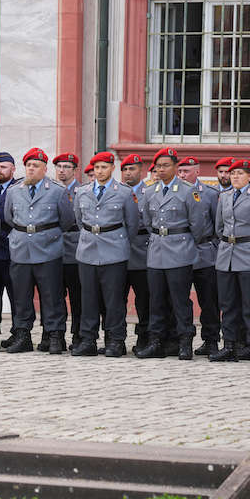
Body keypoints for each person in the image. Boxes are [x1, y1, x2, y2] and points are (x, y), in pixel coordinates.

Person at [135, 147, 209, 361]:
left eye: (165, 165)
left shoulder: (188, 191)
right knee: (156, 299)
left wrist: (183, 240)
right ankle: (156, 341)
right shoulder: (150, 192)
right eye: (158, 166)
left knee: (180, 300)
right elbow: (148, 222)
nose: (161, 170)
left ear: (176, 167)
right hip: (157, 249)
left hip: (180, 249)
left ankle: (184, 341)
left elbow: (198, 225)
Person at [3, 148, 75, 354]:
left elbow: (67, 220)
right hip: (21, 249)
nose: (31, 169)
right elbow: (9, 218)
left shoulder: (57, 191)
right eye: (28, 165)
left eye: (36, 166)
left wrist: (47, 234)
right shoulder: (14, 191)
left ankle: (54, 336)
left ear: (44, 169)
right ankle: (23, 334)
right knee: (21, 296)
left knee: (52, 296)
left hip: (48, 248)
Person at [71, 151, 139, 357]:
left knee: (114, 299)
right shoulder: (82, 192)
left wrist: (118, 242)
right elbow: (78, 219)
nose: (99, 171)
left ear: (112, 168)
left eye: (103, 167)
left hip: (114, 250)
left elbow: (132, 224)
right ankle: (88, 340)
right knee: (88, 298)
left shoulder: (124, 193)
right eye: (96, 168)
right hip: (88, 250)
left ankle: (115, 340)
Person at [210, 159, 250, 364]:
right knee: (228, 304)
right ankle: (229, 345)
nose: (235, 176)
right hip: (226, 255)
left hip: (249, 254)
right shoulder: (224, 196)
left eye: (240, 173)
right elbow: (219, 228)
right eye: (232, 173)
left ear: (249, 176)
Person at [176, 156, 222, 358]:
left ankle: (211, 340)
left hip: (204, 253)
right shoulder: (175, 191)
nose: (182, 175)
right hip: (178, 253)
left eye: (187, 171)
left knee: (209, 300)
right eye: (180, 171)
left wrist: (214, 246)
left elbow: (218, 224)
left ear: (197, 171)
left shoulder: (210, 194)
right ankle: (181, 340)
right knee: (179, 300)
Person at [0, 153, 22, 349]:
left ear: (13, 169)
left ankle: (18, 333)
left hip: (11, 250)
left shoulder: (18, 189)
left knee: (16, 296)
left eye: (3, 167)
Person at [51, 152, 83, 351]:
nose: (62, 171)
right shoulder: (51, 190)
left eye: (66, 167)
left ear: (74, 170)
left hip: (76, 247)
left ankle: (79, 334)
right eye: (59, 167)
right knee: (54, 295)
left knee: (78, 297)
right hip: (53, 246)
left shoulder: (82, 190)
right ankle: (56, 335)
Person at [120, 154, 151, 353]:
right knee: (116, 299)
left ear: (141, 171)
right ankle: (117, 338)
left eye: (132, 169)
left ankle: (144, 337)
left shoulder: (149, 192)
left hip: (143, 249)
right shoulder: (116, 192)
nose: (128, 173)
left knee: (144, 299)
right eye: (125, 169)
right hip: (117, 250)